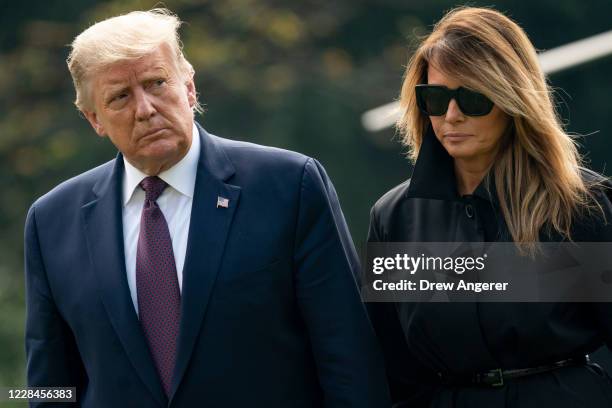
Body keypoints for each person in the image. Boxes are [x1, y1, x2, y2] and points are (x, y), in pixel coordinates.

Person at [24, 9, 391, 407]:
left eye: (157, 83)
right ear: (94, 118)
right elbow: (50, 383)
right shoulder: (51, 221)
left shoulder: (289, 185)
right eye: (120, 97)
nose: (145, 109)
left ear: (190, 87)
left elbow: (349, 357)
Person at [367, 6, 612, 408]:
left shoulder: (581, 206)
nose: (451, 115)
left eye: (473, 99)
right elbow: (390, 364)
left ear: (511, 100)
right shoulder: (394, 217)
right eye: (435, 97)